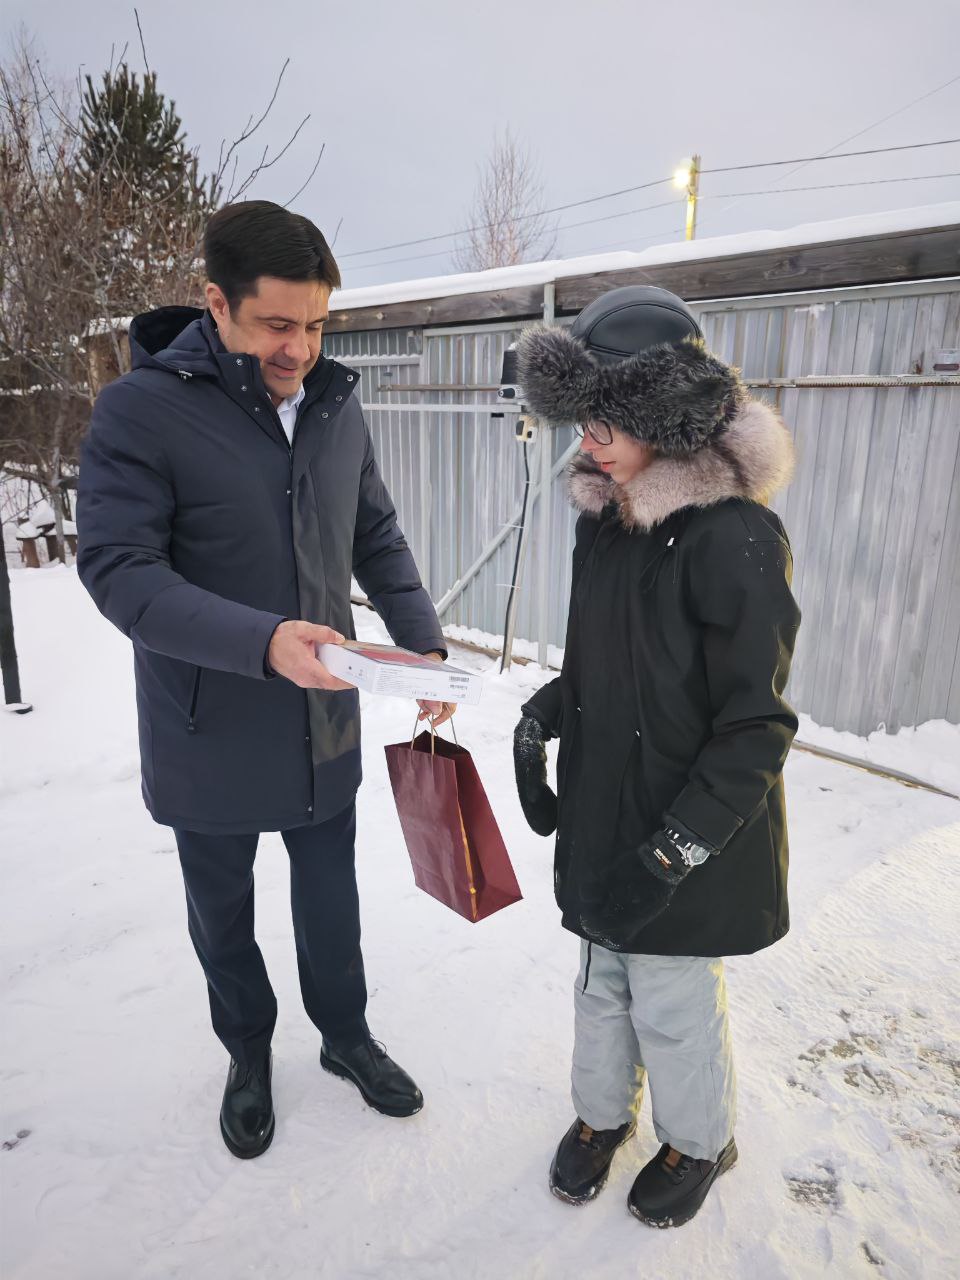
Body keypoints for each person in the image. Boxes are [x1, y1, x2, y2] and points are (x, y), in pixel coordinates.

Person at [77, 200, 454, 1159]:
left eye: (317, 324)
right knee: (223, 912)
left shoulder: (332, 402)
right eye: (278, 325)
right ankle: (247, 1052)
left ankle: (345, 1035)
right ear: (217, 304)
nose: (301, 349)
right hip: (205, 721)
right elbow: (119, 569)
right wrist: (264, 641)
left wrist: (422, 646)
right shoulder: (142, 410)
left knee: (331, 896)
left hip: (323, 719)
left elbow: (374, 532)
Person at [512, 286, 801, 1226]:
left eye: (605, 419)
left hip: (687, 830)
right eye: (580, 420)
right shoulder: (604, 520)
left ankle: (701, 1138)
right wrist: (544, 717)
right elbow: (604, 663)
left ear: (662, 411)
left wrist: (676, 851)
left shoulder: (734, 535)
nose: (588, 441)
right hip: (605, 811)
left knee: (672, 1002)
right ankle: (602, 1116)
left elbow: (755, 724)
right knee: (601, 986)